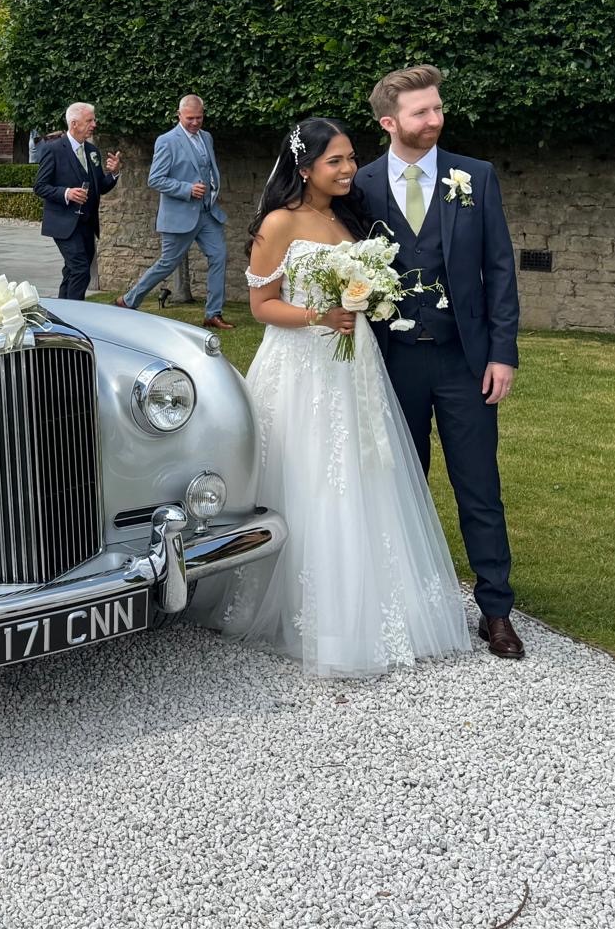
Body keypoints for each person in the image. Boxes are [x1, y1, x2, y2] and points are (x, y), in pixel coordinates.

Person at [198, 118, 473, 675]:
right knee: (311, 476)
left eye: (351, 158)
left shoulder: (347, 217)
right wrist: (319, 316)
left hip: (354, 364)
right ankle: (316, 614)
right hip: (301, 366)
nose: (349, 169)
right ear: (304, 168)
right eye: (336, 161)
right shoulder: (278, 223)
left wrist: (370, 300)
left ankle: (381, 603)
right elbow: (260, 306)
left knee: (364, 470)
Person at [353, 65, 524, 660]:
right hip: (390, 362)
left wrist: (502, 353)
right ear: (389, 122)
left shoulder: (474, 177)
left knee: (479, 486)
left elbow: (499, 268)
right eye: (421, 111)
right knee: (401, 485)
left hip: (464, 361)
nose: (435, 119)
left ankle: (495, 610)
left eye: (437, 108)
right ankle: (410, 601)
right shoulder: (361, 185)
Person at [114, 95, 233, 329]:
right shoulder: (167, 141)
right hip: (180, 215)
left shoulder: (206, 137)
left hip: (207, 212)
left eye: (199, 117)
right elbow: (155, 179)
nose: (195, 122)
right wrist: (187, 189)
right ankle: (129, 300)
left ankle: (213, 313)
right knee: (167, 263)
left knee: (219, 256)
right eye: (190, 118)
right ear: (179, 116)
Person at [33, 102, 122, 300]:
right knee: (81, 269)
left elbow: (100, 187)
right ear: (74, 124)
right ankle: (77, 315)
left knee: (73, 270)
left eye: (93, 120)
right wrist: (67, 193)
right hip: (63, 223)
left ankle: (61, 314)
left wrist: (114, 173)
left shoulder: (92, 150)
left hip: (87, 224)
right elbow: (40, 186)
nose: (94, 124)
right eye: (89, 120)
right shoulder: (54, 149)